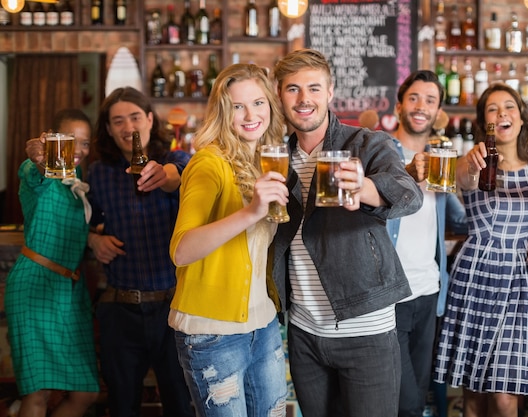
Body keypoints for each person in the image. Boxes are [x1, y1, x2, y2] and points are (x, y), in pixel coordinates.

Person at [270, 48, 423, 417]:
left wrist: (365, 188)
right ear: (279, 95)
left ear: (330, 92)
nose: (304, 99)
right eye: (293, 89)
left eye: (313, 88)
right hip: (305, 334)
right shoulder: (274, 156)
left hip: (366, 332)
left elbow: (409, 195)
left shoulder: (367, 144)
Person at [169, 63, 288, 416]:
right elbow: (182, 249)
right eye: (238, 106)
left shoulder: (265, 161)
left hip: (263, 325)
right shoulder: (208, 164)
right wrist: (251, 212)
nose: (251, 114)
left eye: (259, 102)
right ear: (224, 112)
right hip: (213, 333)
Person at [433, 83, 528, 417]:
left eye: (509, 107)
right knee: (474, 392)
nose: (502, 114)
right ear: (483, 121)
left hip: (522, 280)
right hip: (477, 275)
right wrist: (471, 164)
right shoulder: (474, 161)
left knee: (504, 396)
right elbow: (462, 179)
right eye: (492, 109)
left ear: (521, 116)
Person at [86, 87, 194, 417]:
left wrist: (161, 174)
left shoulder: (175, 161)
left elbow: (179, 173)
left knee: (181, 403)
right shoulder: (98, 173)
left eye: (135, 116)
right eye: (117, 120)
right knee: (121, 405)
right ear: (107, 129)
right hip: (121, 311)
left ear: (150, 119)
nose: (127, 126)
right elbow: (85, 221)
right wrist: (93, 240)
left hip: (173, 310)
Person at [5, 109, 99, 417]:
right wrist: (38, 157)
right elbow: (35, 172)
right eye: (71, 141)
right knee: (38, 393)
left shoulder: (78, 178)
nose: (79, 151)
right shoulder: (39, 172)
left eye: (85, 143)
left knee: (85, 392)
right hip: (36, 285)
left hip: (71, 292)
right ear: (53, 138)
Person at [388, 70, 467, 417]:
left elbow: (458, 219)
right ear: (400, 104)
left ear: (438, 113)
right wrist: (409, 170)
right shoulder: (379, 149)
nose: (421, 107)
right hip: (390, 294)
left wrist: (476, 183)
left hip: (429, 292)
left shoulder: (441, 157)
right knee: (402, 401)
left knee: (418, 397)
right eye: (415, 98)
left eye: (430, 100)